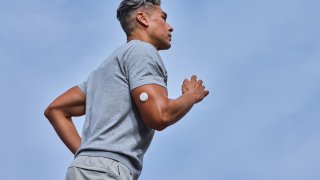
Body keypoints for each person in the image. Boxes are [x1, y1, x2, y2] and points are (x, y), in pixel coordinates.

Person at [44, 0, 209, 179]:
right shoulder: (143, 52)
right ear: (143, 18)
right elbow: (160, 116)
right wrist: (191, 96)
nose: (170, 27)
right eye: (163, 18)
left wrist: (87, 156)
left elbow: (56, 109)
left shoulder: (105, 69)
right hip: (106, 172)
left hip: (85, 170)